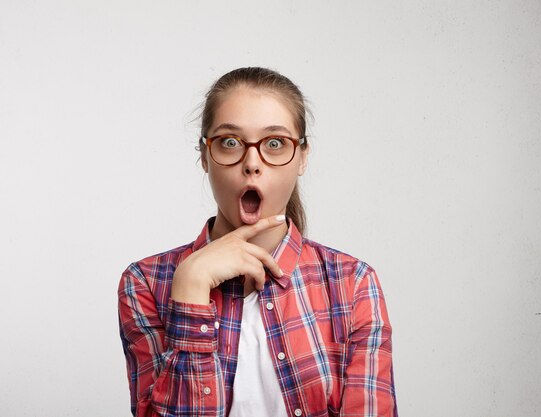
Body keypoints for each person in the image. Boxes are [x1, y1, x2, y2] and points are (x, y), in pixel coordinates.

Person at [118, 67, 397, 417]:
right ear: (204, 156)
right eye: (230, 142)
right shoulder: (144, 283)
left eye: (275, 143)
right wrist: (191, 288)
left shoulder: (353, 284)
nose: (252, 163)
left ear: (302, 157)